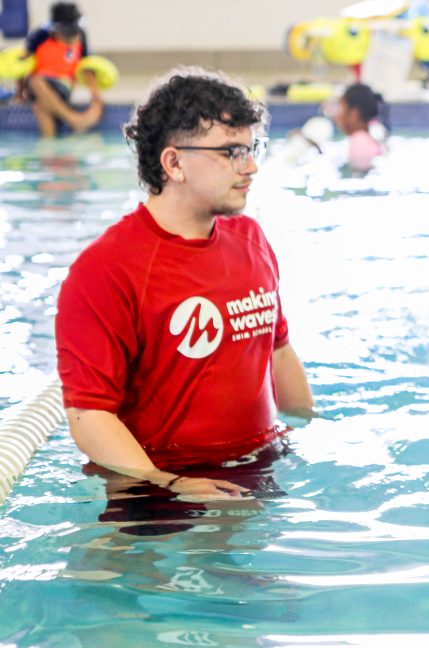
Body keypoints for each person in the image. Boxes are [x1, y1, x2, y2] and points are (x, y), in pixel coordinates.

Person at [55, 67, 314, 500]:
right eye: (231, 152)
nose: (250, 167)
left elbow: (279, 350)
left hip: (258, 467)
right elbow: (89, 414)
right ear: (173, 163)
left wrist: (310, 429)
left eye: (253, 149)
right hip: (155, 487)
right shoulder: (106, 269)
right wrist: (171, 485)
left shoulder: (250, 238)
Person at [18, 2, 103, 137]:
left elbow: (88, 67)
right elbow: (22, 65)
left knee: (40, 106)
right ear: (55, 28)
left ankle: (49, 145)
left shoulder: (81, 35)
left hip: (63, 86)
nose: (71, 37)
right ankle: (73, 119)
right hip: (37, 84)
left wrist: (96, 94)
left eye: (73, 31)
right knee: (35, 81)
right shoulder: (39, 35)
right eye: (66, 32)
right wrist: (19, 93)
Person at [329, 82, 386, 174]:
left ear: (354, 114)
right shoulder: (368, 138)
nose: (337, 115)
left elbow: (359, 175)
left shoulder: (360, 140)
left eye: (341, 108)